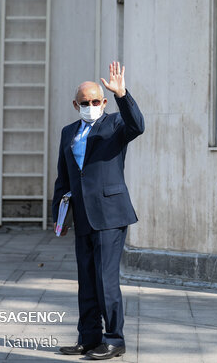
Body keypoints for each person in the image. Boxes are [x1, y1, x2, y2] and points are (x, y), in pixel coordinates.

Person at [52, 61, 144, 360]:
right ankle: (88, 338)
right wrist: (59, 217)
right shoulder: (68, 133)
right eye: (85, 102)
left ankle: (115, 340)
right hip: (82, 216)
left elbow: (137, 125)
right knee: (87, 280)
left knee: (106, 280)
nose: (90, 106)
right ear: (75, 104)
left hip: (110, 214)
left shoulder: (115, 124)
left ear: (102, 102)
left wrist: (122, 94)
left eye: (95, 101)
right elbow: (63, 178)